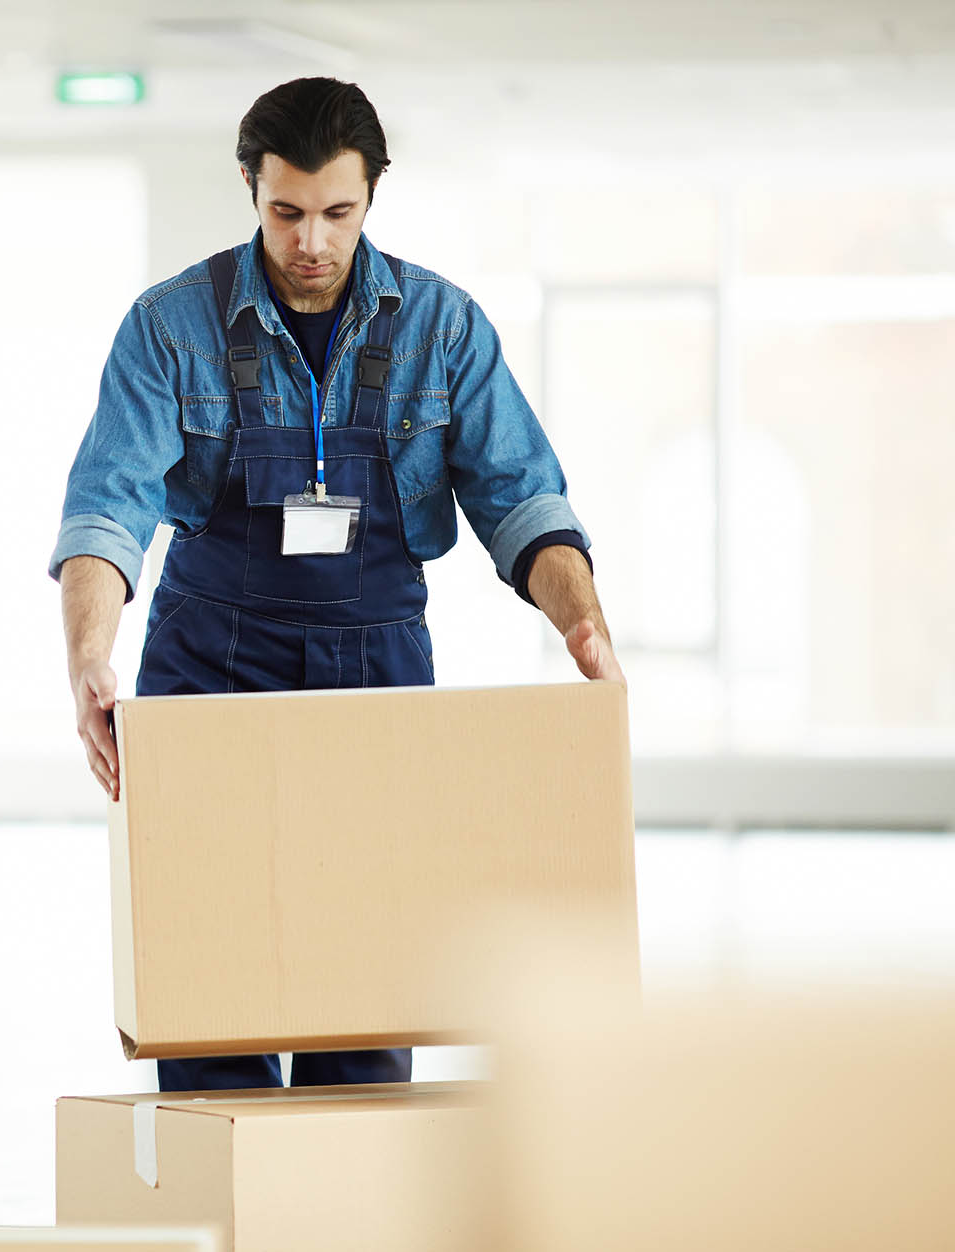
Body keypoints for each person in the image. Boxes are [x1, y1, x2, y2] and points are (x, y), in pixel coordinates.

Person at [51, 77, 622, 1095]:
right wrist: (88, 656)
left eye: (336, 213)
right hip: (206, 668)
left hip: (377, 670)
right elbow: (107, 509)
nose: (309, 240)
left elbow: (523, 497)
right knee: (207, 977)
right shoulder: (169, 327)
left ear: (372, 197)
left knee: (367, 971)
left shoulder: (444, 328)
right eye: (285, 212)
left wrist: (583, 623)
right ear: (249, 187)